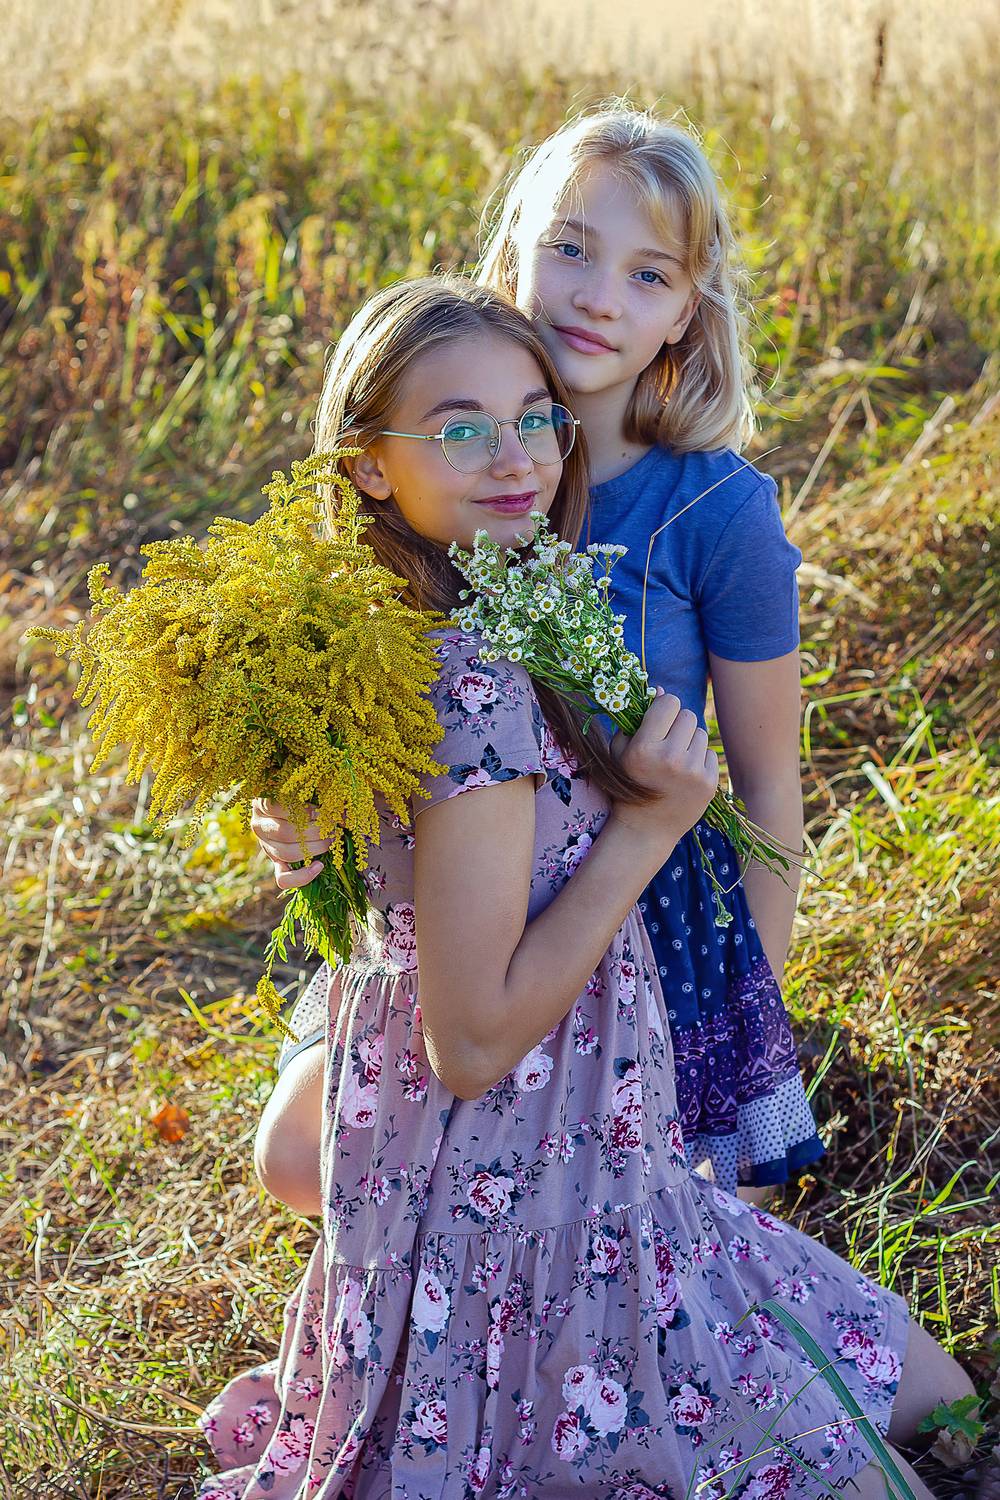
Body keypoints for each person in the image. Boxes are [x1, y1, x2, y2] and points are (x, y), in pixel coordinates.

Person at [196, 274, 973, 1500]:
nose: (515, 458)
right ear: (366, 466)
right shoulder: (471, 685)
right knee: (876, 1455)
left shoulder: (426, 629)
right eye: (459, 428)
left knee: (932, 1391)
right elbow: (473, 1044)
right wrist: (651, 826)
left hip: (563, 1154)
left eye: (534, 418)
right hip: (527, 1177)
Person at [253, 104, 819, 1219]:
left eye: (647, 275)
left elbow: (768, 792)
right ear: (512, 249)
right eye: (570, 249)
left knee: (671, 1203)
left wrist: (737, 1031)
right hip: (448, 919)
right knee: (295, 1163)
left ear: (685, 314)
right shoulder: (437, 464)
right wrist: (299, 812)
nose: (599, 297)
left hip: (636, 916)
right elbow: (350, 721)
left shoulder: (715, 512)